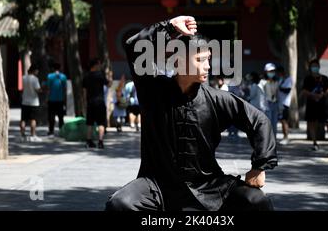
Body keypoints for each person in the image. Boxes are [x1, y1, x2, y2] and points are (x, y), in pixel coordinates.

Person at [106, 16, 277, 211]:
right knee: (119, 204)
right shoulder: (153, 90)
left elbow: (259, 121)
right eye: (200, 60)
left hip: (209, 185)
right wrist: (169, 26)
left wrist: (259, 166)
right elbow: (134, 45)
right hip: (156, 185)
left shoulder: (217, 99)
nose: (208, 66)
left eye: (208, 60)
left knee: (257, 201)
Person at [301, 59, 328, 151]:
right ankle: (314, 143)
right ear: (310, 68)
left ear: (319, 67)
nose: (315, 68)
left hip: (322, 105)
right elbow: (304, 90)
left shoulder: (324, 78)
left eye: (316, 66)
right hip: (311, 104)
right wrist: (312, 95)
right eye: (313, 66)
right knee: (312, 123)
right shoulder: (307, 78)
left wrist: (322, 95)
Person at [83, 58, 112, 149]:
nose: (99, 66)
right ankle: (100, 142)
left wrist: (85, 102)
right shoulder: (100, 75)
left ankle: (88, 141)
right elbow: (109, 84)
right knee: (101, 123)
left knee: (90, 123)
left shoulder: (86, 76)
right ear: (95, 65)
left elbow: (84, 91)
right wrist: (110, 77)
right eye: (98, 64)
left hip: (90, 102)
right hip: (99, 102)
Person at [44, 62, 67, 137]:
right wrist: (65, 99)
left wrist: (46, 98)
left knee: (51, 116)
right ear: (60, 68)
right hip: (60, 99)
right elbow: (65, 89)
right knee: (61, 116)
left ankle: (51, 131)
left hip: (51, 99)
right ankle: (62, 131)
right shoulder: (63, 76)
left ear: (53, 68)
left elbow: (48, 89)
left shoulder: (50, 76)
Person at [20, 64, 42, 142]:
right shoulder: (35, 79)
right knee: (33, 119)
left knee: (23, 119)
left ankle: (22, 135)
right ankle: (33, 135)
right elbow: (38, 89)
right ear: (34, 70)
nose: (37, 72)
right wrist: (42, 89)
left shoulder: (23, 78)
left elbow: (22, 88)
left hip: (25, 100)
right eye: (37, 71)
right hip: (34, 102)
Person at [259, 63, 279, 138]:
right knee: (267, 123)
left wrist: (279, 106)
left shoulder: (276, 82)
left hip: (274, 104)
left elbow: (277, 94)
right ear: (266, 72)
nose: (272, 73)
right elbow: (261, 95)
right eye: (270, 71)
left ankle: (274, 139)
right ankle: (267, 140)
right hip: (266, 104)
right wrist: (262, 107)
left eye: (273, 71)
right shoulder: (262, 82)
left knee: (274, 123)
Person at [277, 66, 292, 145]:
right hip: (280, 103)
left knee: (284, 121)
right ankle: (284, 137)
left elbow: (288, 90)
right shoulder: (280, 79)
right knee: (282, 121)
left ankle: (286, 137)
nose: (278, 74)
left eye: (279, 73)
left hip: (285, 103)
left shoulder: (288, 79)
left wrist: (279, 88)